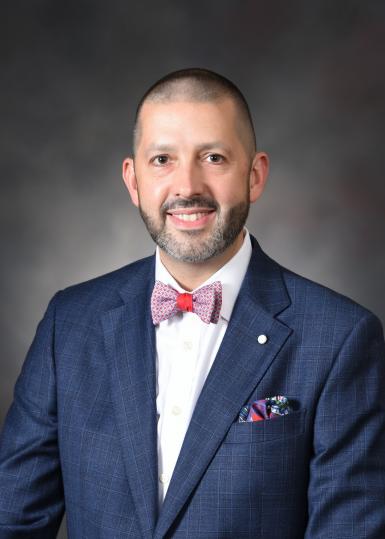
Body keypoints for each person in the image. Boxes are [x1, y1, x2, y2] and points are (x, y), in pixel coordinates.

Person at [0, 68, 385, 539]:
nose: (187, 186)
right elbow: (12, 519)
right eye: (162, 159)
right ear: (133, 180)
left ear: (255, 175)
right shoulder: (70, 322)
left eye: (214, 157)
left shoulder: (342, 338)